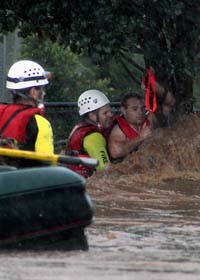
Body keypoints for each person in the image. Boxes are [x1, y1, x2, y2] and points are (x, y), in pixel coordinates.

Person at [0, 60, 54, 166]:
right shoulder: (40, 123)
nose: (44, 93)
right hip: (23, 180)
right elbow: (48, 165)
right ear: (33, 92)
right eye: (41, 90)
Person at [65, 89, 113, 178]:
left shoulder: (78, 128)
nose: (110, 115)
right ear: (92, 115)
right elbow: (106, 170)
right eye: (105, 113)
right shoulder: (93, 137)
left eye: (109, 111)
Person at [108, 93, 153, 162]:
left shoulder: (149, 121)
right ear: (124, 110)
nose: (140, 112)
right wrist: (141, 137)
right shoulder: (118, 130)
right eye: (135, 109)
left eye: (143, 108)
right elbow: (115, 152)